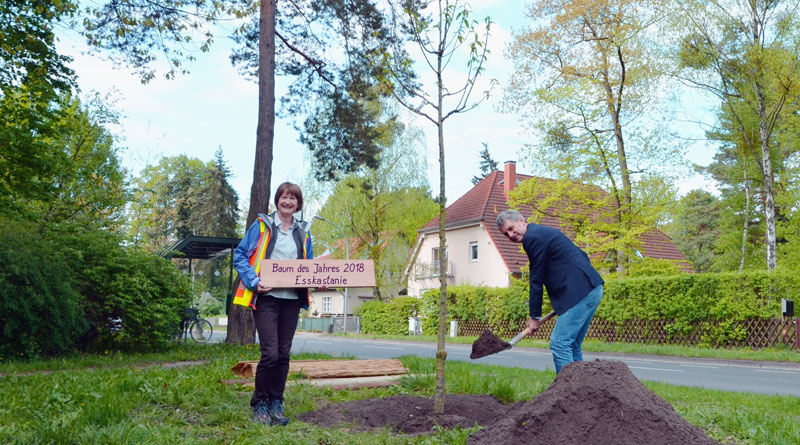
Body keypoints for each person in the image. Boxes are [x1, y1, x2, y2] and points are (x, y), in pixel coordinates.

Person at [233, 182, 314, 426]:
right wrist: (253, 282)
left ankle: (276, 402)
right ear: (277, 200)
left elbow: (308, 265)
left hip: (291, 300)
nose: (288, 202)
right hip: (267, 298)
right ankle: (259, 403)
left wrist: (318, 276)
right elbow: (240, 255)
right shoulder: (262, 226)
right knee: (270, 353)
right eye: (284, 197)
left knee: (283, 354)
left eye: (293, 198)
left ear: (298, 204)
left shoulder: (303, 231)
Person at [496, 209, 604, 374]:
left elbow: (536, 279)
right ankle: (582, 391)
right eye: (506, 234)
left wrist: (534, 317)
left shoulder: (532, 238)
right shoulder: (542, 232)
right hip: (592, 288)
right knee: (572, 343)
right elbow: (581, 254)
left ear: (521, 220)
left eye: (511, 228)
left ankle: (568, 392)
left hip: (581, 292)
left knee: (560, 343)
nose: (510, 235)